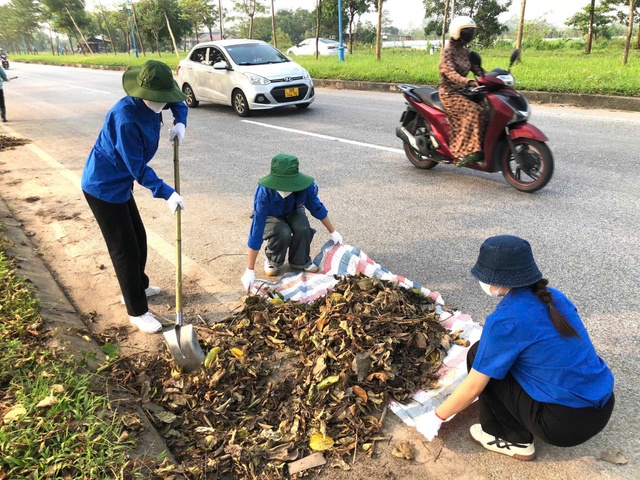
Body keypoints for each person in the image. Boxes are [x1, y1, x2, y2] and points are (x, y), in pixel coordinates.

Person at [417, 235, 614, 461]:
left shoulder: (504, 321)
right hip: (603, 404)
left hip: (563, 427)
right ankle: (524, 420)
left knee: (477, 355)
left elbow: (472, 387)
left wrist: (436, 416)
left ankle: (511, 437)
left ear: (497, 280)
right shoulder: (554, 297)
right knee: (491, 354)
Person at [81, 60, 188, 334]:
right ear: (142, 93)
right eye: (158, 100)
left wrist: (180, 123)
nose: (162, 104)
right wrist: (167, 193)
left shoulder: (160, 94)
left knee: (138, 238)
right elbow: (137, 167)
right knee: (124, 249)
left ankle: (137, 287)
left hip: (121, 184)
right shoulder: (126, 118)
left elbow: (178, 101)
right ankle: (136, 311)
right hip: (103, 187)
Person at [241, 154, 343, 290]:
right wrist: (250, 269)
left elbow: (317, 208)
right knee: (282, 231)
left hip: (293, 210)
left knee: (302, 228)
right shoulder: (264, 192)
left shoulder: (305, 187)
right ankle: (273, 260)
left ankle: (300, 261)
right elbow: (257, 229)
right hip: (271, 216)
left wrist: (333, 232)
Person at [439, 16, 487, 167]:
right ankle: (465, 152)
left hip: (464, 91)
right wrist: (468, 82)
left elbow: (479, 70)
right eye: (466, 31)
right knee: (474, 111)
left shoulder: (466, 53)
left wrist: (497, 78)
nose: (469, 34)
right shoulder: (448, 52)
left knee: (487, 107)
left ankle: (481, 145)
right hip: (450, 93)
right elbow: (449, 73)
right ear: (456, 32)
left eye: (471, 31)